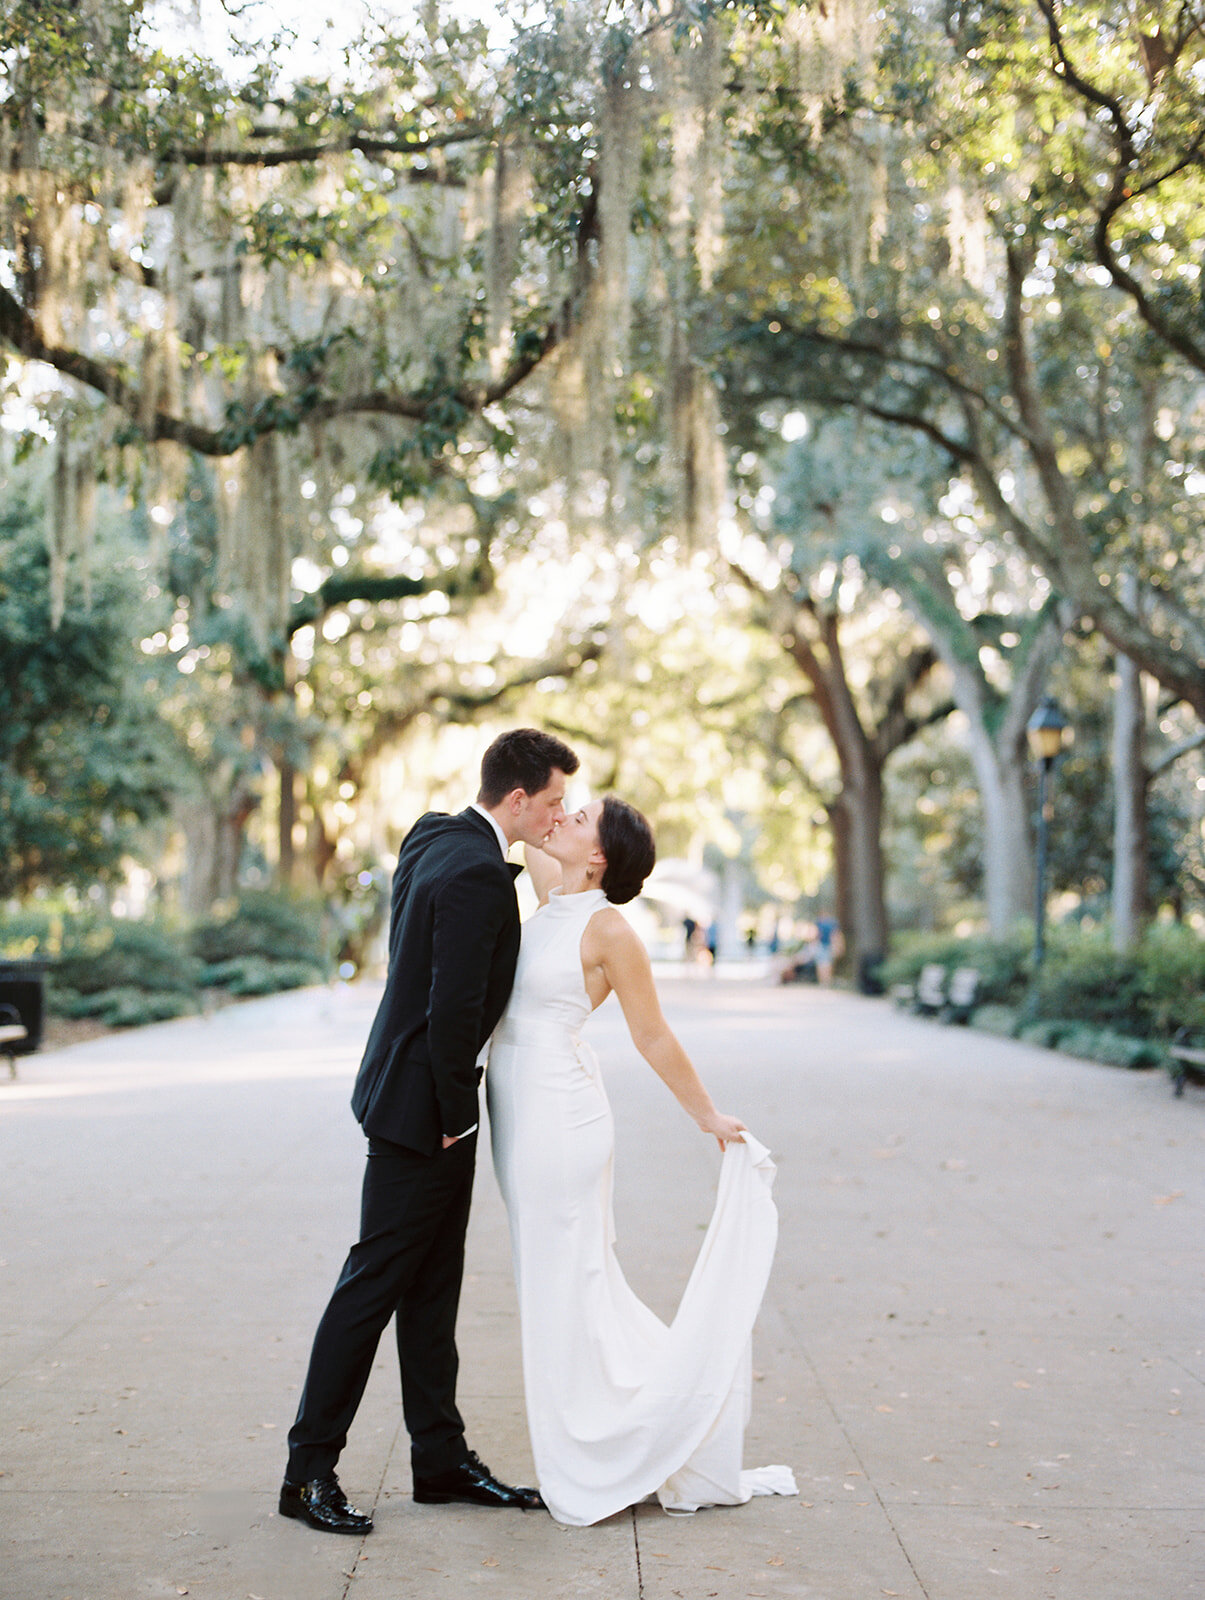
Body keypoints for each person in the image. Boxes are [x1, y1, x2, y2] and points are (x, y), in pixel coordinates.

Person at [280, 728, 579, 1535]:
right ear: (516, 798)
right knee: (371, 1286)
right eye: (552, 803)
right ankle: (307, 1473)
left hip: (404, 1092)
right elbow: (451, 1011)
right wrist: (455, 1116)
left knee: (432, 1289)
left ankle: (439, 1460)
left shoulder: (432, 836)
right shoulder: (480, 872)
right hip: (427, 1114)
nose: (559, 816)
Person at [487, 795, 797, 1526]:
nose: (563, 814)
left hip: (560, 1121)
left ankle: (610, 1451)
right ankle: (614, 1430)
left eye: (581, 815)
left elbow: (652, 1037)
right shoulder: (550, 893)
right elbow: (524, 821)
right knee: (560, 1286)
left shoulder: (608, 928)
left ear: (599, 857)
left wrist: (706, 1117)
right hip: (518, 1114)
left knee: (567, 1286)